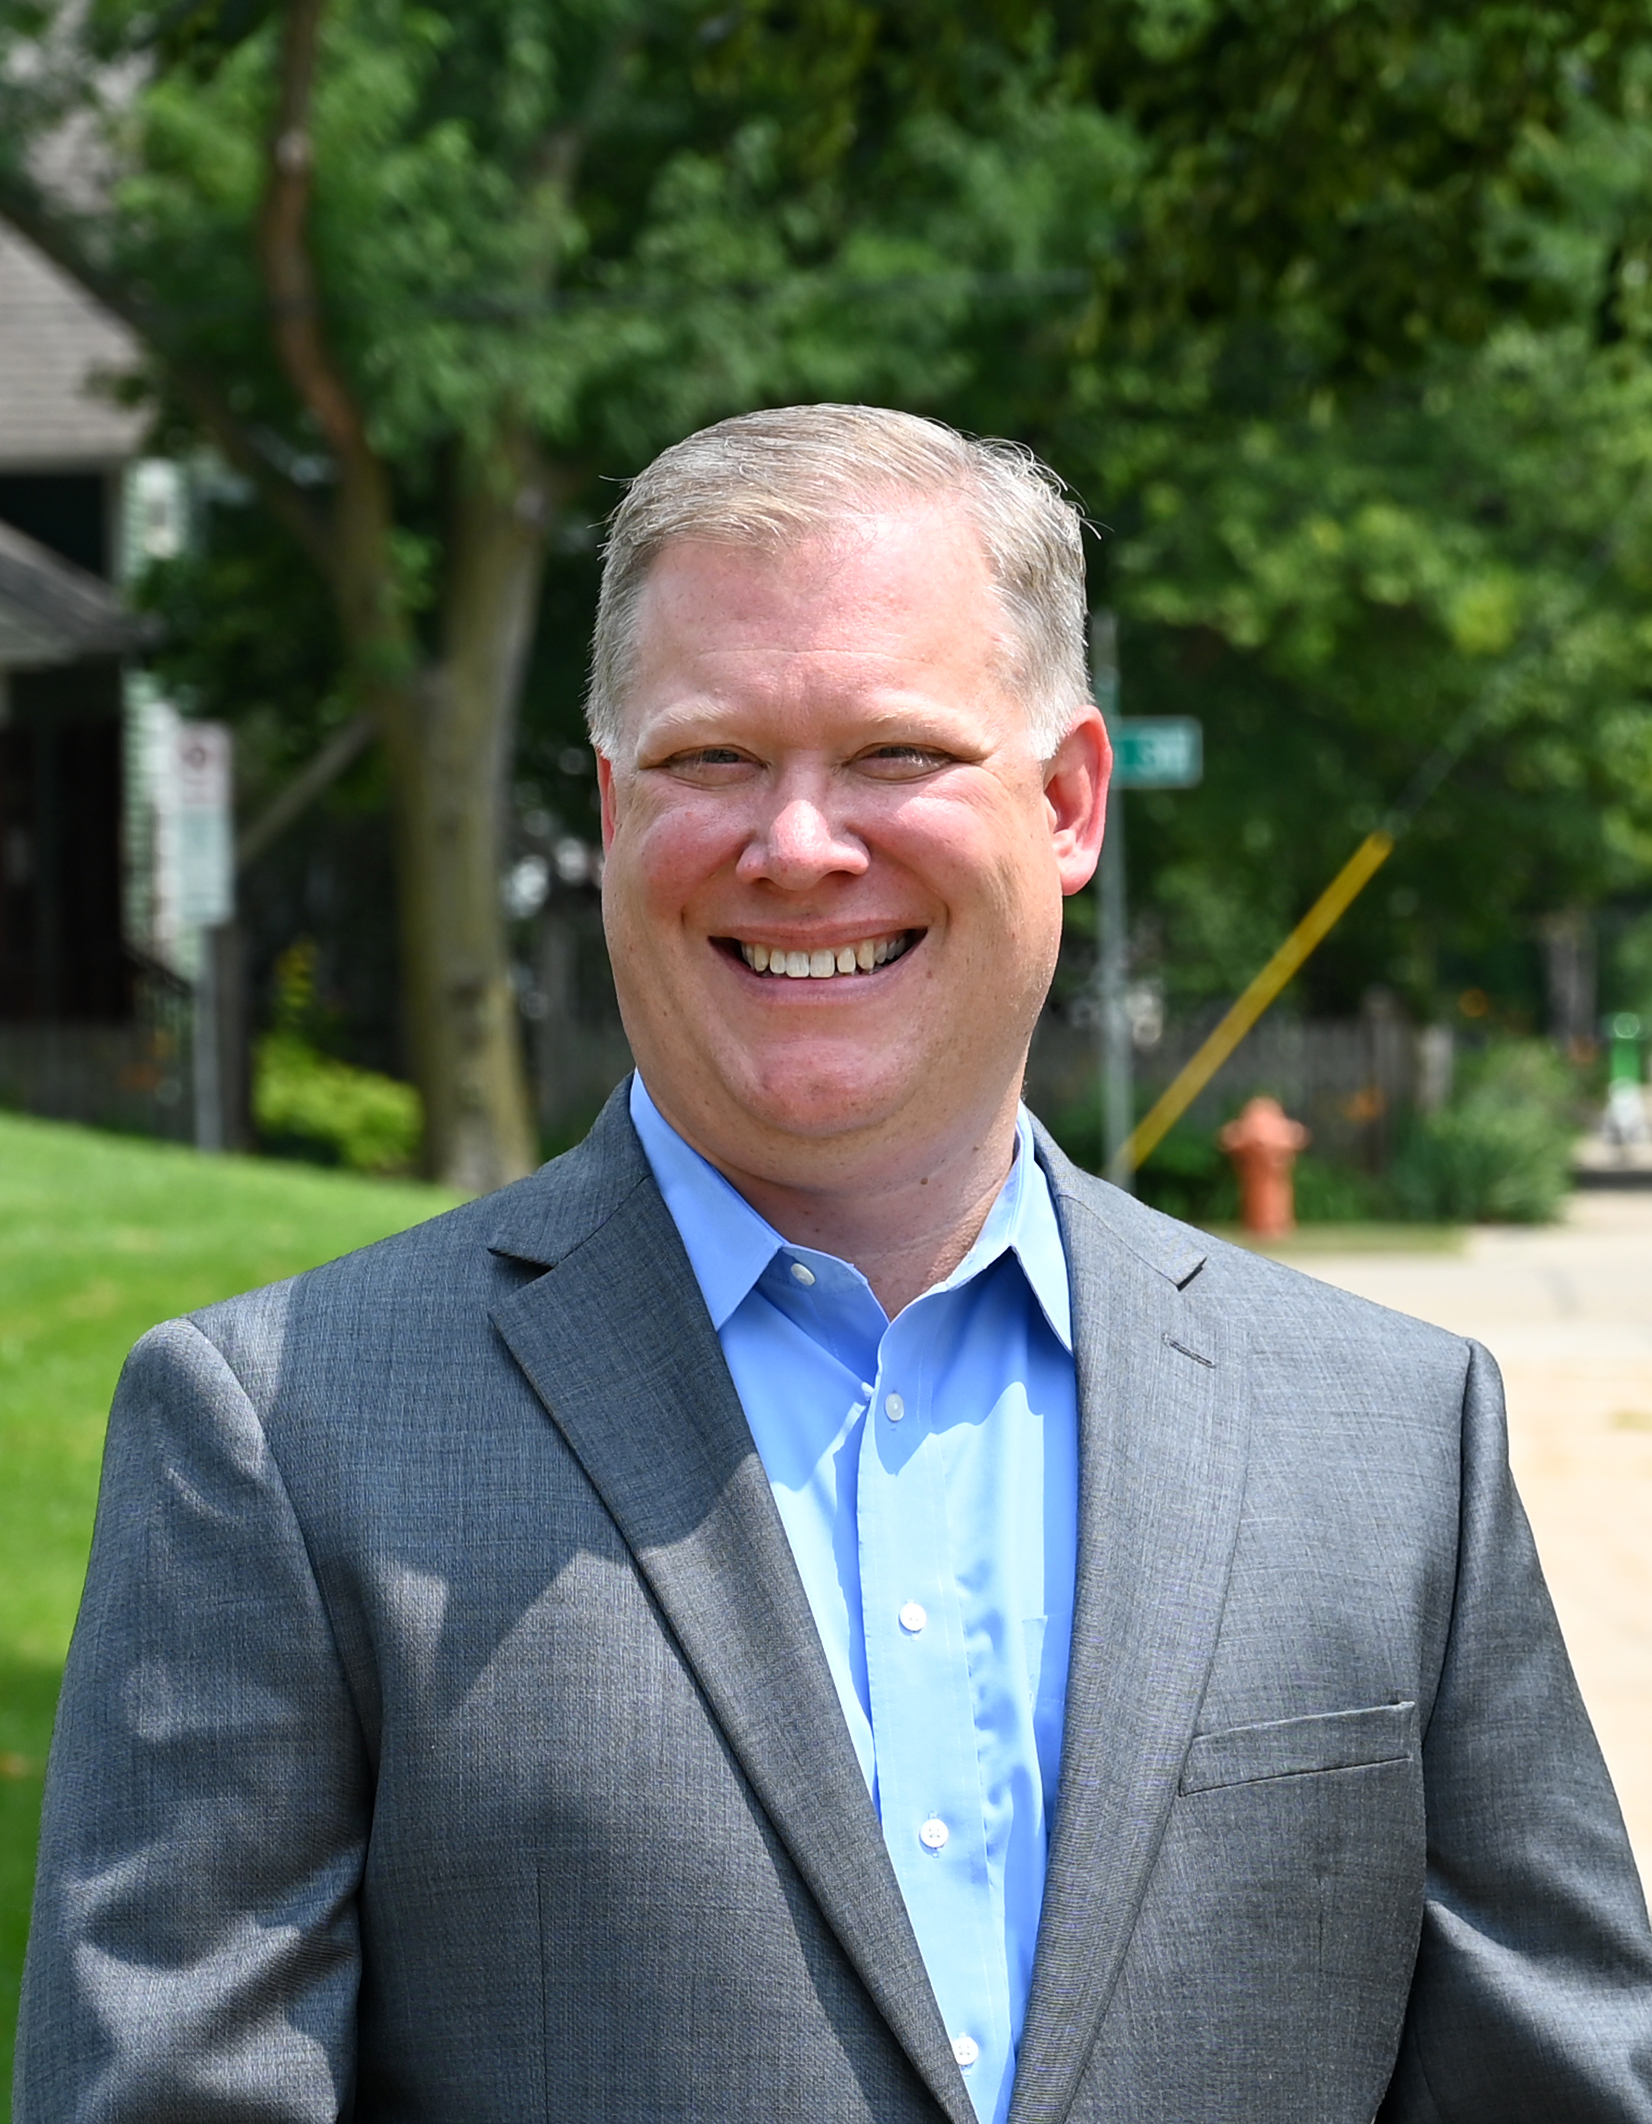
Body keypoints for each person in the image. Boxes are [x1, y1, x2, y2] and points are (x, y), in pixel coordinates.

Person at [17, 404, 1652, 2124]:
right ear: (611, 807)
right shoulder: (282, 1435)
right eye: (712, 760)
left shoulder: (1392, 1439)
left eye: (896, 754)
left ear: (1071, 801)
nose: (798, 846)